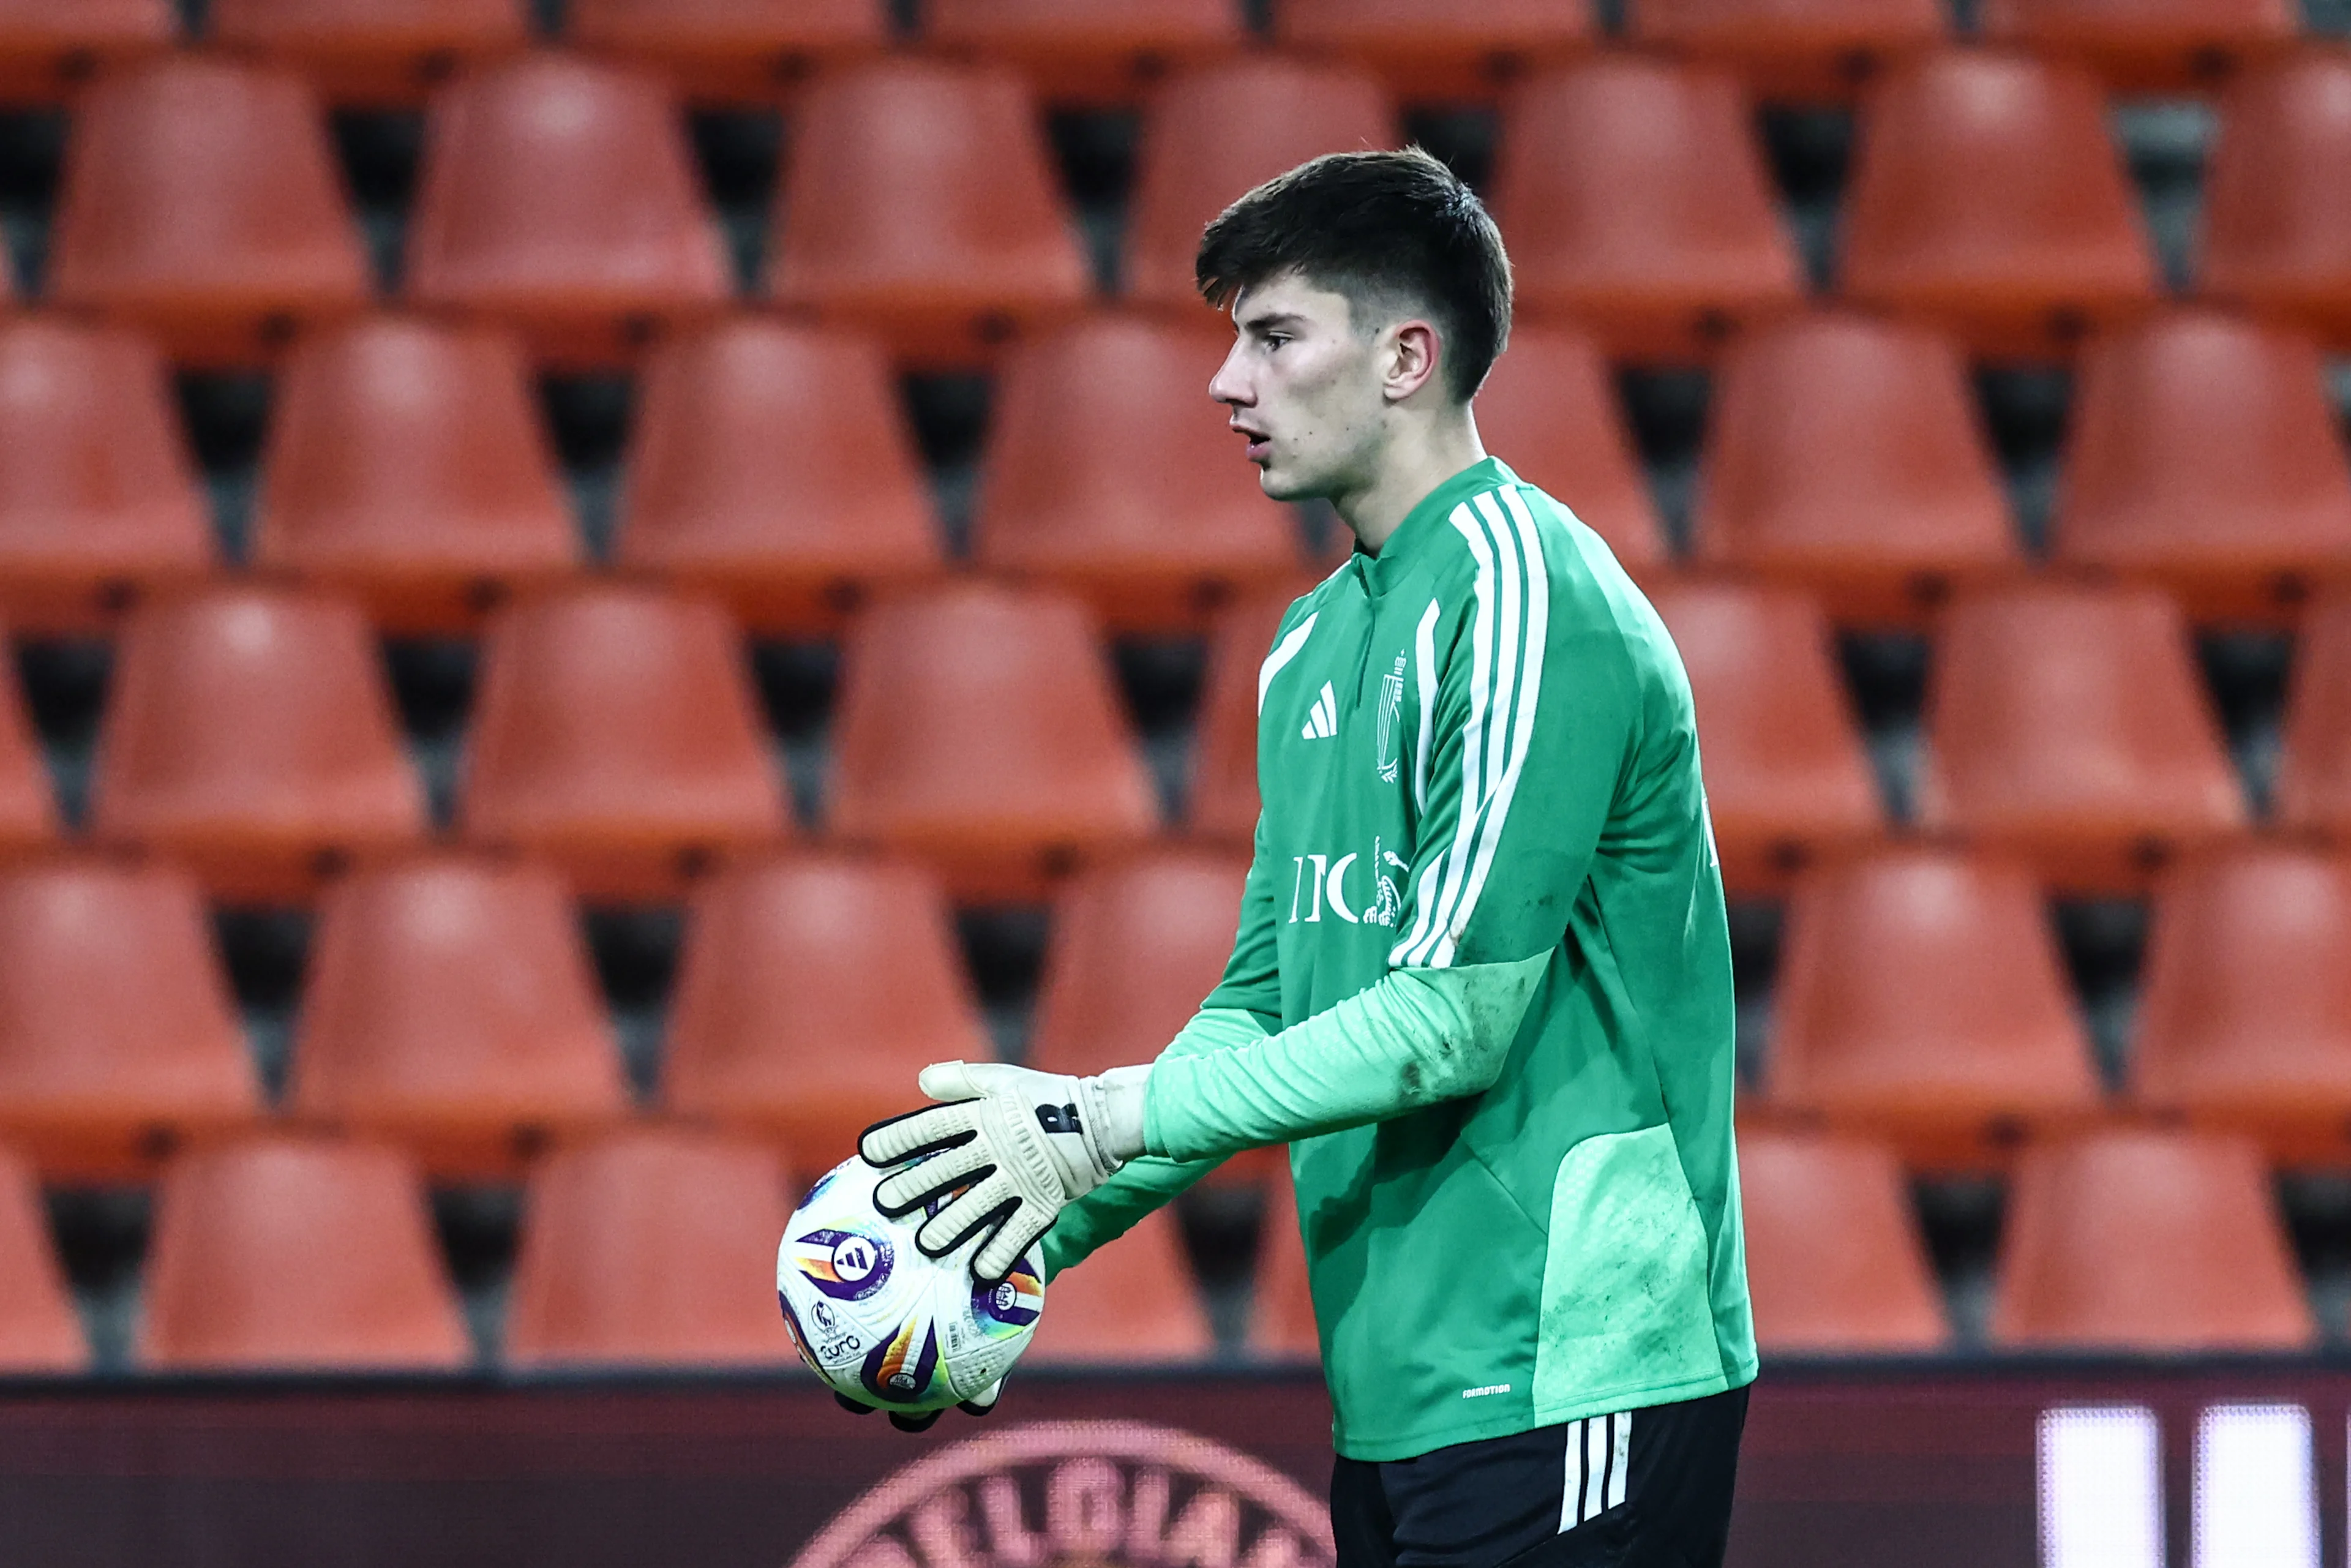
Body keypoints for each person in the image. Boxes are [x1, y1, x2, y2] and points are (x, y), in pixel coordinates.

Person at [854, 146, 1756, 1568]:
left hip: (1575, 1370)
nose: (1229, 381)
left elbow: (1449, 1024)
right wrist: (1020, 1227)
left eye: (1274, 336)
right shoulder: (1309, 644)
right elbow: (1267, 999)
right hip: (1398, 1388)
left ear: (1407, 356)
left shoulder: (1529, 595)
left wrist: (1101, 1113)